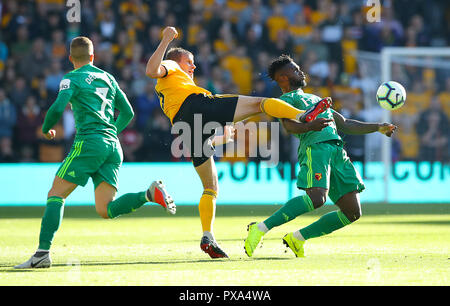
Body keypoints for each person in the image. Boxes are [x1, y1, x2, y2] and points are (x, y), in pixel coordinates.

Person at [146, 27, 332, 259]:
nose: (193, 67)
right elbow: (152, 69)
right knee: (261, 104)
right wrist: (165, 39)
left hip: (185, 128)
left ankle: (207, 235)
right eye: (189, 62)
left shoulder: (169, 89)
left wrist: (220, 137)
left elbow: (196, 127)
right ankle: (302, 114)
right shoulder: (171, 66)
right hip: (197, 105)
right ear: (175, 61)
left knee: (210, 188)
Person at [15, 37, 176, 269]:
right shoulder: (108, 78)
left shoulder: (71, 78)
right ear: (93, 57)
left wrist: (44, 128)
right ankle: (148, 195)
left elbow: (58, 107)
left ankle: (42, 254)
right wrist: (110, 132)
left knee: (56, 194)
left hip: (89, 142)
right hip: (112, 145)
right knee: (105, 209)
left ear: (71, 58)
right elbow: (128, 112)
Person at [244, 55, 397, 258]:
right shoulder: (284, 100)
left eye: (299, 68)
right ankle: (261, 228)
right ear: (283, 77)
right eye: (295, 70)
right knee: (317, 198)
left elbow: (344, 123)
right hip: (315, 148)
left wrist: (377, 128)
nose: (301, 72)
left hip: (337, 152)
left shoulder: (315, 98)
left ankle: (297, 238)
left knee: (352, 212)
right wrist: (310, 126)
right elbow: (289, 127)